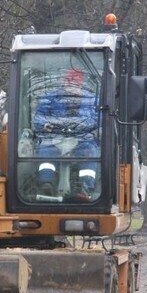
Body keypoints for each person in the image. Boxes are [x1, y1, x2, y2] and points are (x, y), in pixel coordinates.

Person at [32, 68, 99, 199]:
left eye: (74, 81)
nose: (71, 84)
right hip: (55, 137)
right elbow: (39, 116)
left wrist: (86, 126)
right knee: (45, 150)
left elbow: (99, 117)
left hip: (83, 139)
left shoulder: (91, 100)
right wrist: (44, 124)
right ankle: (47, 184)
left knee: (90, 152)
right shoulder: (51, 98)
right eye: (68, 81)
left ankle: (85, 189)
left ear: (80, 83)